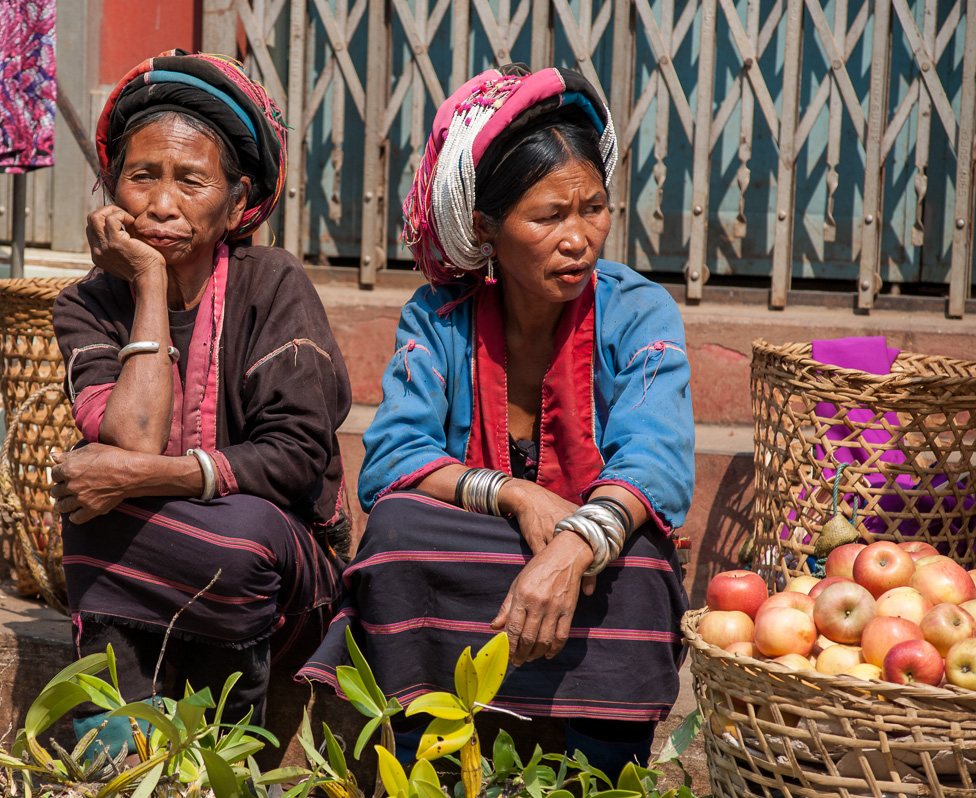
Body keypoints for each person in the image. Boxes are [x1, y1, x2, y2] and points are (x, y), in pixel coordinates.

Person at [299, 64, 693, 778]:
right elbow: (390, 457)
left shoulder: (639, 313)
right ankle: (430, 768)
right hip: (477, 542)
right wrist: (516, 494)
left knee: (640, 565)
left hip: (593, 558)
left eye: (594, 208)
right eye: (549, 217)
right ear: (487, 226)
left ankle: (602, 776)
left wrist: (572, 547)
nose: (580, 237)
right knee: (394, 535)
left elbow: (657, 465)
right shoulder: (440, 318)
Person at [50, 50, 352, 749]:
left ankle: (221, 746)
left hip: (285, 580)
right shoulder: (89, 305)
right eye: (141, 177)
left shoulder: (273, 285)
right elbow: (129, 440)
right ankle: (119, 736)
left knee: (236, 533)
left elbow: (296, 458)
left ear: (237, 203)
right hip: (169, 549)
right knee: (88, 504)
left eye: (191, 180)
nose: (160, 204)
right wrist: (150, 284)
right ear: (110, 193)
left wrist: (147, 478)